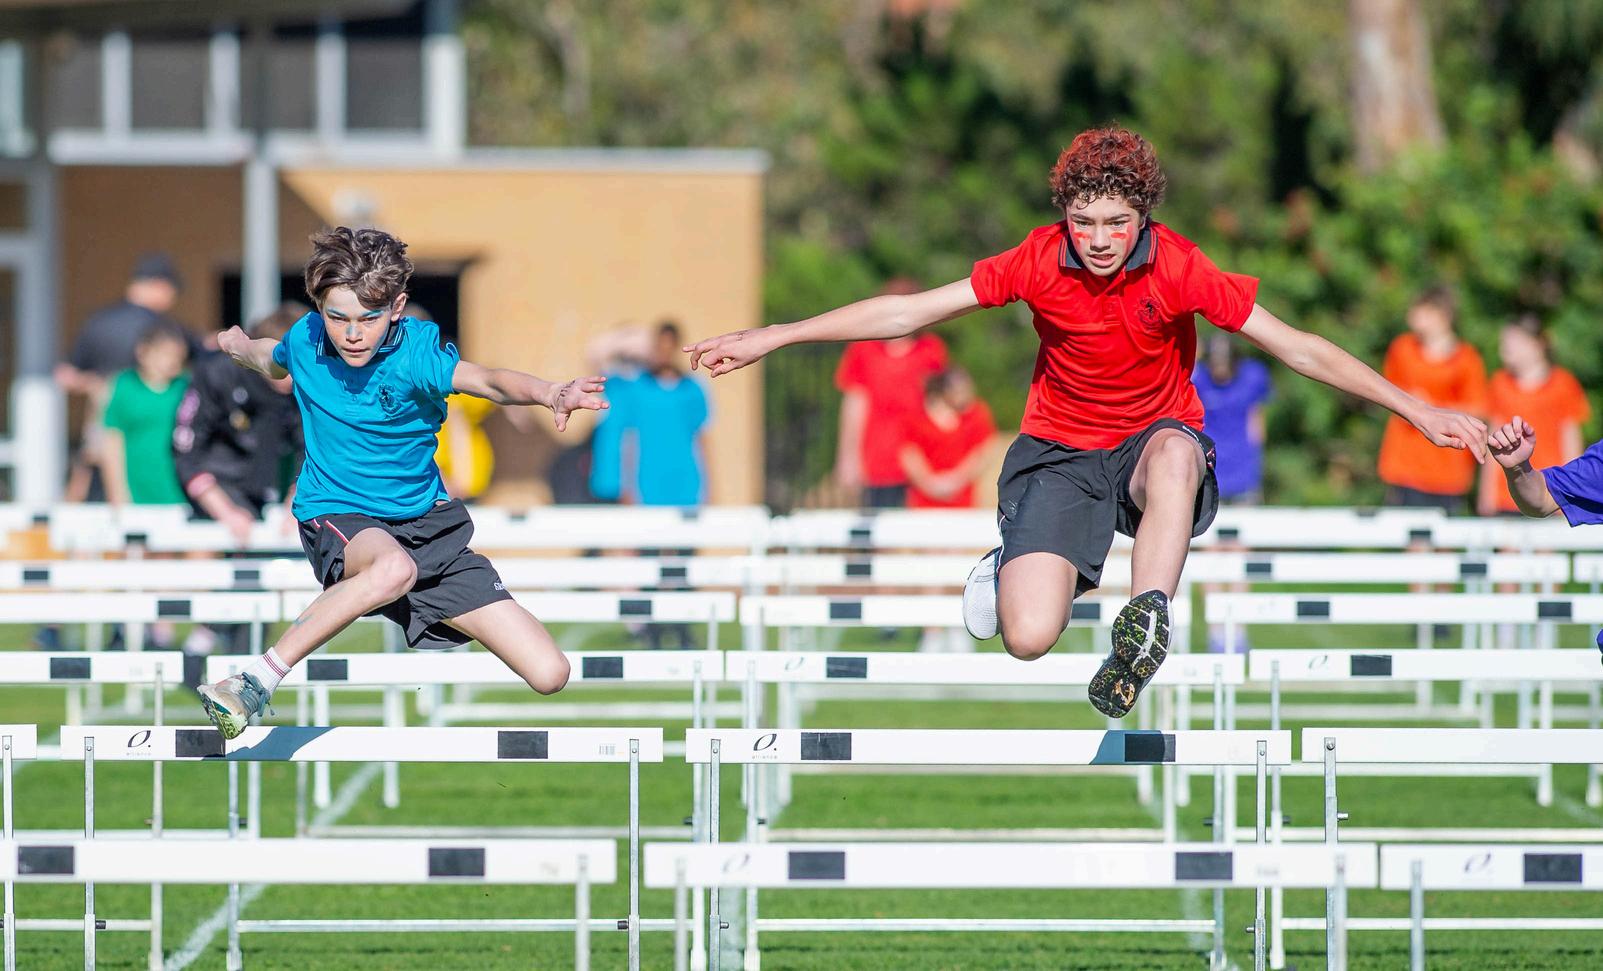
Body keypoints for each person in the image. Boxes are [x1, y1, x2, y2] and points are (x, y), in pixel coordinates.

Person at [685, 126, 1487, 718]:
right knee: (1028, 635)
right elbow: (908, 311)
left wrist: (1414, 407)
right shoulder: (1036, 259)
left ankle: (1146, 616)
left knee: (1176, 454)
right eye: (1084, 221)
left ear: (1142, 216)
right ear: (1064, 215)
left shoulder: (1179, 265)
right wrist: (778, 334)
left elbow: (1297, 347)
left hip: (1147, 444)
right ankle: (1012, 562)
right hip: (1059, 453)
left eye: (1116, 222)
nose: (1100, 240)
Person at [195, 227, 606, 739]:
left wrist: (549, 392)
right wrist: (237, 345)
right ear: (319, 308)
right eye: (337, 318)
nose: (352, 334)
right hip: (338, 512)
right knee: (392, 567)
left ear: (396, 307)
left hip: (426, 527)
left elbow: (487, 380)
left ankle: (390, 592)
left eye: (368, 318)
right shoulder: (306, 339)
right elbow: (269, 357)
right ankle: (254, 681)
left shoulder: (416, 355)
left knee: (550, 672)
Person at [56, 253, 189, 501]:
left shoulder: (98, 321)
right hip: (138, 428)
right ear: (159, 285)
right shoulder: (165, 328)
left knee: (86, 492)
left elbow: (65, 375)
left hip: (98, 420)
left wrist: (95, 385)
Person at [173, 303, 306, 542]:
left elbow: (310, 450)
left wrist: (297, 502)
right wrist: (225, 511)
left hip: (270, 495)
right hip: (214, 491)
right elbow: (185, 450)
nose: (291, 375)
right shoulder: (216, 374)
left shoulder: (305, 384)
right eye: (284, 363)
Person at [834, 278, 948, 507]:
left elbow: (940, 403)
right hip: (877, 459)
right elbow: (855, 404)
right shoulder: (863, 349)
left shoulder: (931, 349)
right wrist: (848, 457)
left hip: (921, 458)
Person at [1377, 286, 1488, 514]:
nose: (1412, 316)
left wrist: (1430, 408)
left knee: (1443, 533)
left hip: (1448, 470)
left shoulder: (1467, 359)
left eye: (1423, 311)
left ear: (1443, 315)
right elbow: (1385, 393)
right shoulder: (1402, 349)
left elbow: (1479, 410)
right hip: (1405, 467)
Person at [1477, 315, 1588, 517]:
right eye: (1504, 343)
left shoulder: (1564, 384)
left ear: (1537, 345)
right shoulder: (1499, 384)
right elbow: (1492, 441)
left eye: (1514, 342)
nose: (1505, 349)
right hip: (1507, 495)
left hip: (1551, 492)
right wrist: (1487, 494)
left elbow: (1570, 441)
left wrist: (1572, 492)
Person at [610, 321, 712, 506]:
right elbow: (629, 439)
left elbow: (702, 439)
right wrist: (627, 487)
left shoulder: (692, 389)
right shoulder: (638, 388)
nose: (664, 353)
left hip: (686, 484)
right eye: (660, 347)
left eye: (669, 347)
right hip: (647, 485)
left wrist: (709, 489)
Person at [99, 319, 191, 505]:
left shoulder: (186, 387)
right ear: (143, 352)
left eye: (177, 356)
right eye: (166, 354)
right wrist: (117, 493)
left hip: (179, 495)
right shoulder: (124, 386)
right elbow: (112, 440)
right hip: (137, 494)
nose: (172, 362)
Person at [899, 367, 996, 509]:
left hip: (962, 502)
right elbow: (910, 454)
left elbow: (982, 454)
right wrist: (930, 484)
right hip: (923, 503)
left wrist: (955, 481)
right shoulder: (917, 417)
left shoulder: (975, 415)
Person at [1193, 334, 1272, 504]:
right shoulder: (1199, 379)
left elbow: (1256, 419)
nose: (1219, 370)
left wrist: (1257, 457)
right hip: (1211, 466)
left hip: (1243, 467)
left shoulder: (1253, 377)